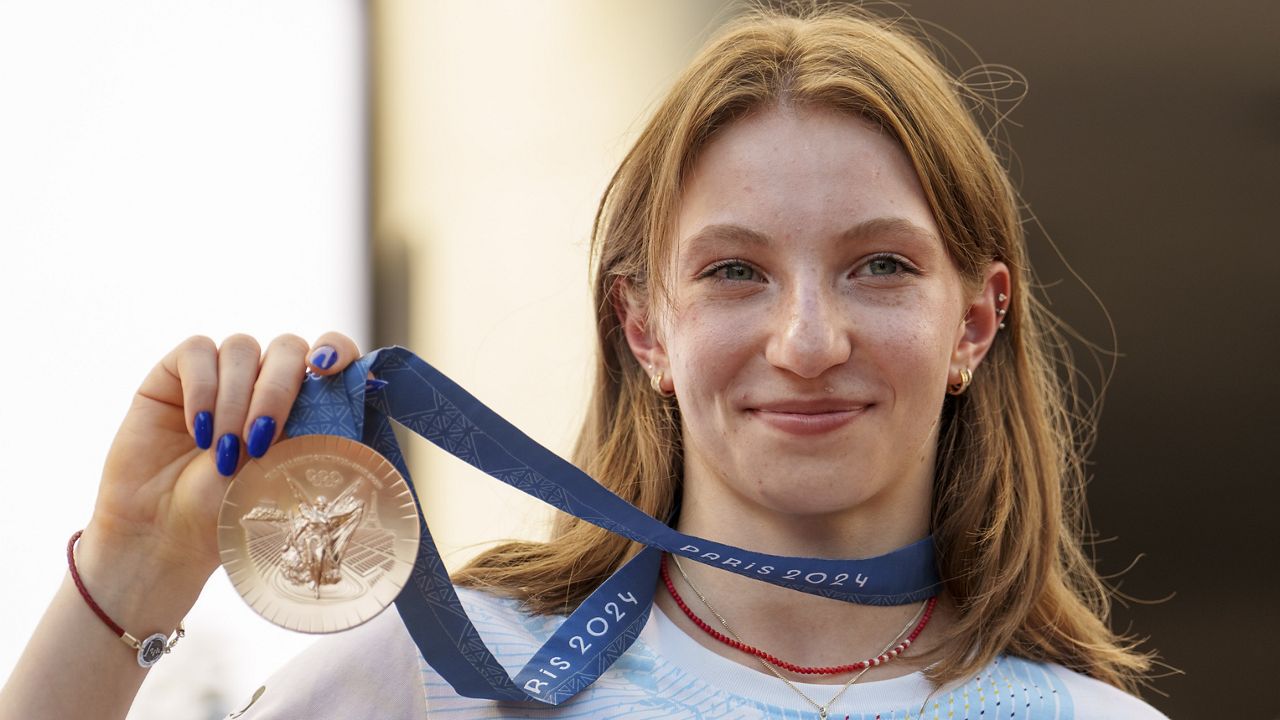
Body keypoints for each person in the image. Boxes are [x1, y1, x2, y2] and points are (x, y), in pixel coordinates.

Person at [0, 5, 1167, 719]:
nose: (807, 342)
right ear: (642, 328)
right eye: (732, 272)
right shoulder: (436, 684)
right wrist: (131, 579)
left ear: (973, 322)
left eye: (877, 267)